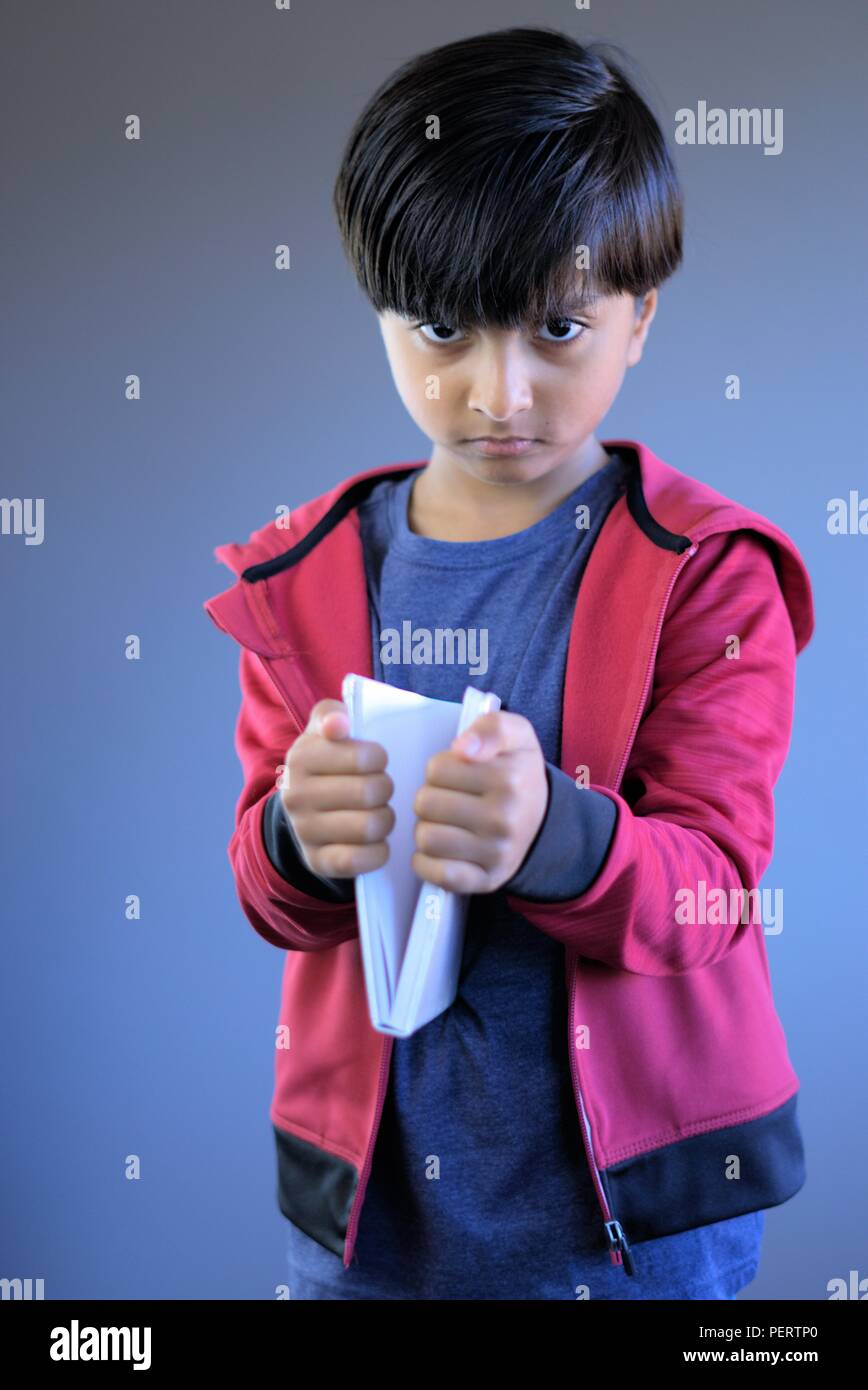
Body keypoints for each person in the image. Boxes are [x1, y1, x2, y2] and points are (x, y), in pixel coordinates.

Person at [203, 26, 814, 1300]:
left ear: (639, 317)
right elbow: (272, 895)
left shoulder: (708, 572)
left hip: (643, 1230)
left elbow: (713, 888)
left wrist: (553, 836)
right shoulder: (301, 572)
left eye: (555, 328)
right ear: (378, 315)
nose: (499, 393)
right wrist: (296, 842)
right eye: (440, 328)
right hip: (368, 1224)